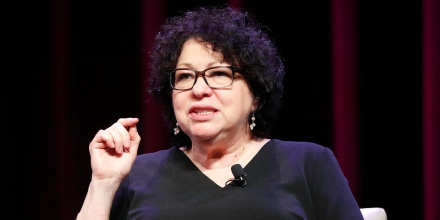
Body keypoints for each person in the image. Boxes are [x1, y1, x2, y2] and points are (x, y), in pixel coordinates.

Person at [77, 4, 363, 220]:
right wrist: (104, 183)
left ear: (256, 95)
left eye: (218, 74)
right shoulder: (136, 174)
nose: (199, 89)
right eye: (185, 76)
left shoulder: (309, 164)